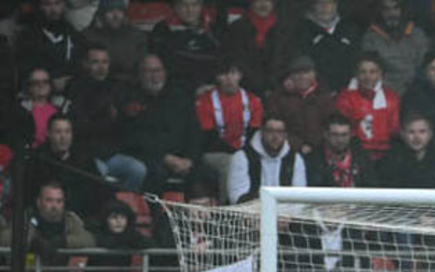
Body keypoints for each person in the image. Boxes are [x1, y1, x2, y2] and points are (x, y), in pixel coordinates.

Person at [119, 54, 202, 194]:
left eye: (158, 70)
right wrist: (165, 158)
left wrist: (190, 159)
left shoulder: (180, 97)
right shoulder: (130, 98)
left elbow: (194, 132)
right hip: (150, 157)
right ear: (140, 75)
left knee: (203, 173)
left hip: (183, 158)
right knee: (156, 173)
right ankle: (157, 215)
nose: (155, 76)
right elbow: (135, 138)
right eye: (149, 71)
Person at [68, 45, 146, 192]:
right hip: (88, 156)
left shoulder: (117, 87)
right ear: (86, 64)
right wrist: (107, 120)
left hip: (112, 153)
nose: (101, 67)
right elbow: (79, 127)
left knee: (138, 169)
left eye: (105, 62)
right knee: (100, 174)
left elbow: (126, 120)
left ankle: (122, 208)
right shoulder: (76, 88)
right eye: (95, 62)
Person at [0, 180, 95, 272]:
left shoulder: (70, 220)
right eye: (49, 200)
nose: (54, 205)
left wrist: (63, 241)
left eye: (59, 201)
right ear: (39, 202)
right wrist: (31, 241)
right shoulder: (26, 217)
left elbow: (88, 239)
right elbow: (4, 238)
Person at [195, 59, 264, 202]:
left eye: (233, 73)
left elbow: (254, 132)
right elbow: (208, 137)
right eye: (224, 74)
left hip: (245, 149)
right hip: (215, 152)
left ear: (240, 75)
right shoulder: (205, 101)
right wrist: (236, 153)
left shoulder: (253, 101)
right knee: (231, 163)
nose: (229, 79)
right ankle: (230, 208)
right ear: (217, 78)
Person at [335, 52, 401, 161]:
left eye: (372, 72)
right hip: (356, 153)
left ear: (380, 73)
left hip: (385, 153)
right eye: (363, 72)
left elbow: (394, 129)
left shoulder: (391, 98)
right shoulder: (345, 98)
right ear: (356, 74)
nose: (367, 77)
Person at [265, 55, 335, 158]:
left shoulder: (324, 96)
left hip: (321, 151)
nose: (302, 77)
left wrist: (315, 146)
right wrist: (298, 145)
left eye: (306, 72)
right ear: (290, 76)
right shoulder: (279, 97)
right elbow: (274, 126)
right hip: (287, 151)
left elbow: (330, 124)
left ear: (314, 74)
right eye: (297, 73)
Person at [228, 115, 306, 203]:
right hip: (251, 213)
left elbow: (300, 197)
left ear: (285, 135)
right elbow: (236, 196)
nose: (275, 136)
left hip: (285, 214)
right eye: (270, 131)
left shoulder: (295, 159)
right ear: (262, 132)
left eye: (280, 132)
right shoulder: (242, 157)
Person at [148, 0, 221, 95]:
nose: (190, 10)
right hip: (176, 91)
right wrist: (192, 89)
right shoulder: (162, 30)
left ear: (201, 6)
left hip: (212, 88)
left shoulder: (213, 29)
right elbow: (161, 68)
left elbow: (222, 62)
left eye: (194, 5)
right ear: (175, 7)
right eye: (184, 5)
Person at [221, 0, 291, 97]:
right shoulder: (236, 28)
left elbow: (287, 57)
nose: (263, 5)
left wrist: (276, 83)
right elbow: (236, 59)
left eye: (267, 1)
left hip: (278, 88)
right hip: (245, 89)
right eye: (258, 1)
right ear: (251, 3)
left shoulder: (283, 29)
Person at [361, 0, 430, 95]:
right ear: (380, 11)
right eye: (386, 9)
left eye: (396, 8)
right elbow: (370, 70)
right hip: (383, 92)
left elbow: (424, 65)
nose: (392, 13)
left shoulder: (417, 34)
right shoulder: (371, 37)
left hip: (415, 90)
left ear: (403, 9)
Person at [16, 0, 83, 94]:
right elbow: (26, 72)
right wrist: (51, 83)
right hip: (40, 93)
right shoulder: (28, 36)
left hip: (73, 91)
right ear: (39, 7)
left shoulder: (72, 32)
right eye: (47, 4)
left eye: (57, 3)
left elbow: (81, 64)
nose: (54, 9)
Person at [294, 0, 361, 92]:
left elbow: (358, 59)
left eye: (329, 2)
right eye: (320, 3)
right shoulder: (302, 30)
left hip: (348, 90)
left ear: (336, 5)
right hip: (315, 92)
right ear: (313, 5)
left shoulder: (350, 28)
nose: (325, 6)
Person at [378, 112, 435, 188]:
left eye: (422, 132)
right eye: (411, 132)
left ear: (430, 134)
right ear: (402, 134)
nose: (417, 137)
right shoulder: (390, 162)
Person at [81, 0, 148, 87]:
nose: (116, 16)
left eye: (119, 11)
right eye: (110, 11)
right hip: (96, 86)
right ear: (101, 14)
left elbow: (143, 66)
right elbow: (83, 68)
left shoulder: (137, 36)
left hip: (130, 86)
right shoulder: (88, 37)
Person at [306, 113, 378, 188]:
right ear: (326, 134)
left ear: (350, 135)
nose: (340, 140)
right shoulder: (313, 160)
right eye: (335, 135)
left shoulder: (362, 159)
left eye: (344, 135)